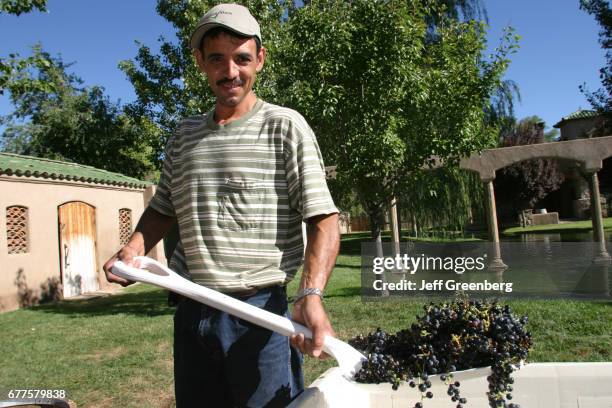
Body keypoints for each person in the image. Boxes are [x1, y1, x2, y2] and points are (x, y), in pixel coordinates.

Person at [103, 3, 340, 407]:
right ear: (200, 62)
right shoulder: (184, 135)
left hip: (260, 316)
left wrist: (310, 294)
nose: (230, 72)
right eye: (217, 59)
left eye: (242, 58)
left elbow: (324, 218)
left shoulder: (285, 126)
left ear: (260, 60)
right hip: (192, 311)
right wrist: (134, 247)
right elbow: (163, 207)